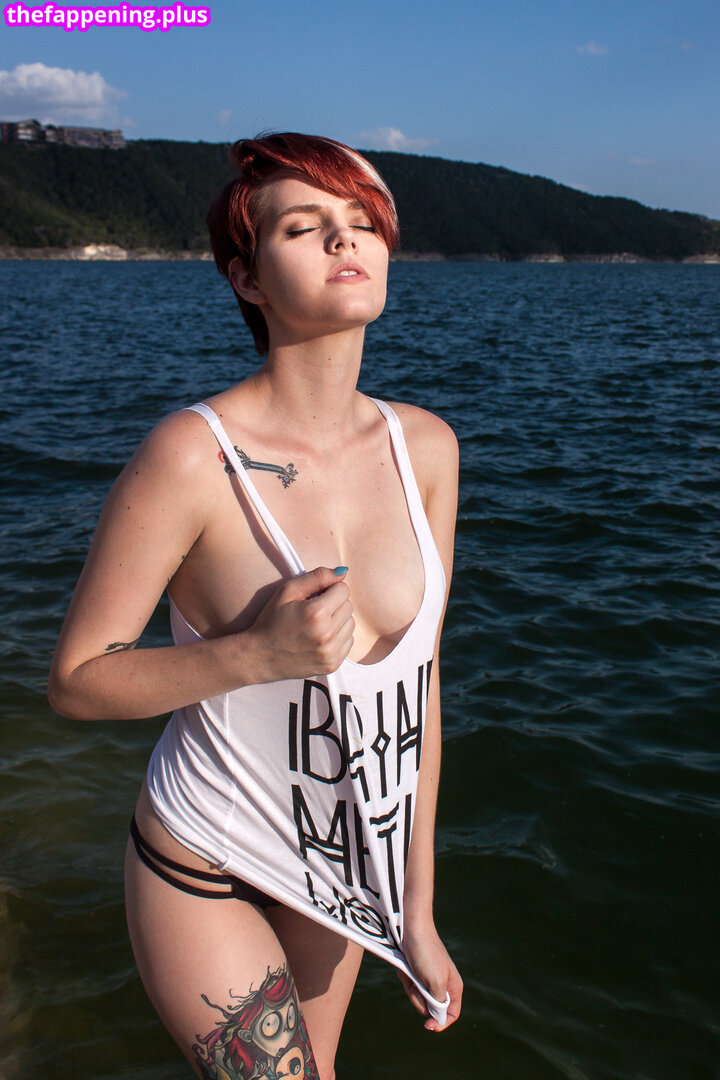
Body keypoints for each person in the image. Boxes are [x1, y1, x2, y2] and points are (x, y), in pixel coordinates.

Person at [48, 132, 462, 1080]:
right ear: (246, 277)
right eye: (303, 227)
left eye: (363, 222)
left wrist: (415, 912)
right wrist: (253, 655)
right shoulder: (192, 455)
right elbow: (75, 681)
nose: (344, 240)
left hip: (343, 874)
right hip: (209, 866)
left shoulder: (427, 451)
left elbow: (420, 696)